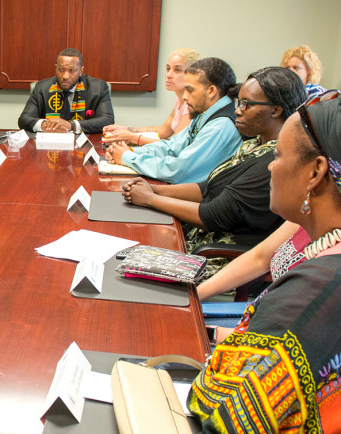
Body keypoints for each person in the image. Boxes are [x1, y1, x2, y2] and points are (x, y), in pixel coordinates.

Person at [188, 93, 341, 432]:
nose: (270, 166)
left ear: (316, 173)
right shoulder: (318, 229)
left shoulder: (315, 287)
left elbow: (227, 414)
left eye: (279, 155)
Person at [121, 67, 306, 260]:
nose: (237, 110)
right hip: (196, 236)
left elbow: (212, 215)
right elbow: (210, 187)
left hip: (214, 254)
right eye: (239, 103)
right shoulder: (253, 145)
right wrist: (154, 190)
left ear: (276, 110)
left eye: (246, 105)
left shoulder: (274, 162)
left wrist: (150, 199)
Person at [106, 57, 242, 184]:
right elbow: (172, 147)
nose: (184, 96)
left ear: (211, 91)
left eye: (190, 90)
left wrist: (128, 157)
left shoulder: (219, 127)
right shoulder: (205, 114)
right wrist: (130, 151)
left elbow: (178, 170)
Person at [102, 48, 200, 145]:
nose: (168, 75)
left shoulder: (191, 103)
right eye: (168, 68)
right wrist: (127, 129)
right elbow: (163, 130)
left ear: (193, 74)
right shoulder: (179, 99)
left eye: (177, 70)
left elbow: (174, 146)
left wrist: (131, 137)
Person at [17, 48, 114, 134]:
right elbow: (24, 119)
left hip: (83, 146)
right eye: (61, 70)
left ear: (80, 71)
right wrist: (45, 124)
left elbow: (107, 120)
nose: (65, 76)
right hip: (49, 143)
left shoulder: (98, 88)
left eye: (71, 70)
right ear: (56, 68)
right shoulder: (42, 87)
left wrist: (71, 125)